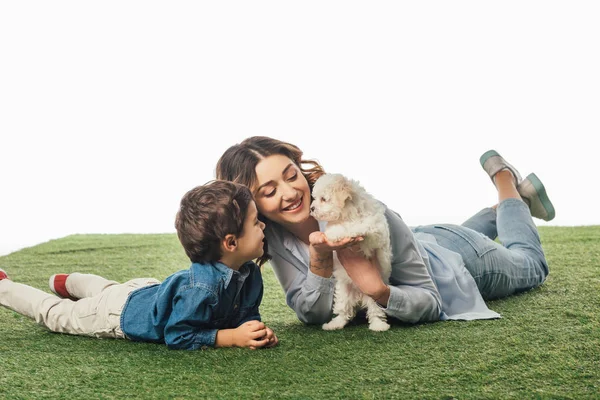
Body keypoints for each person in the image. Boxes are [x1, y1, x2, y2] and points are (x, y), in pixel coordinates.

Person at [215, 136, 555, 326]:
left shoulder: (360, 209)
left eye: (291, 176)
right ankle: (496, 213)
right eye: (269, 190)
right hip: (419, 240)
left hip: (459, 261)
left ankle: (508, 186)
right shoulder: (272, 236)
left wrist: (380, 292)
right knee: (423, 242)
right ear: (253, 203)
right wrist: (319, 260)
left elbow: (431, 301)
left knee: (531, 265)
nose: (289, 193)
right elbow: (310, 312)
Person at [0, 180, 278, 350]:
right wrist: (231, 338)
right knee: (60, 314)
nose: (263, 225)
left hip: (145, 291)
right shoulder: (202, 290)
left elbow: (247, 311)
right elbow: (177, 335)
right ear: (231, 243)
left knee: (111, 289)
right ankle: (6, 287)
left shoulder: (248, 270)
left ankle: (68, 282)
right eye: (256, 222)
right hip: (118, 315)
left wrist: (255, 330)